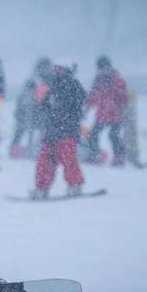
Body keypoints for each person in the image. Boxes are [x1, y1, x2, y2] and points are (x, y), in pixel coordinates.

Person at [30, 64, 87, 199]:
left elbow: (77, 104)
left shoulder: (74, 86)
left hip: (67, 131)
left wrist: (61, 113)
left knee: (69, 160)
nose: (56, 71)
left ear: (67, 70)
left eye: (59, 68)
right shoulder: (54, 86)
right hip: (52, 131)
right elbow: (44, 105)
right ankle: (41, 188)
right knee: (45, 160)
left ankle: (75, 185)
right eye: (55, 68)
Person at [85, 55, 128, 166]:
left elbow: (124, 98)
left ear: (109, 67)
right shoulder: (97, 82)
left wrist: (124, 111)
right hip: (102, 114)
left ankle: (119, 157)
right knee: (93, 135)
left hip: (115, 114)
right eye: (100, 69)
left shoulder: (117, 80)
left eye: (105, 68)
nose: (103, 71)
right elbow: (92, 97)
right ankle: (95, 155)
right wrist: (86, 109)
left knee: (113, 135)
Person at [11, 58, 52, 159]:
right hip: (29, 111)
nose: (44, 70)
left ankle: (42, 151)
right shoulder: (32, 81)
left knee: (44, 132)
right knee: (21, 130)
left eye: (46, 67)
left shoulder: (52, 81)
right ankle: (15, 150)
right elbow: (23, 96)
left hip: (43, 112)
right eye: (42, 67)